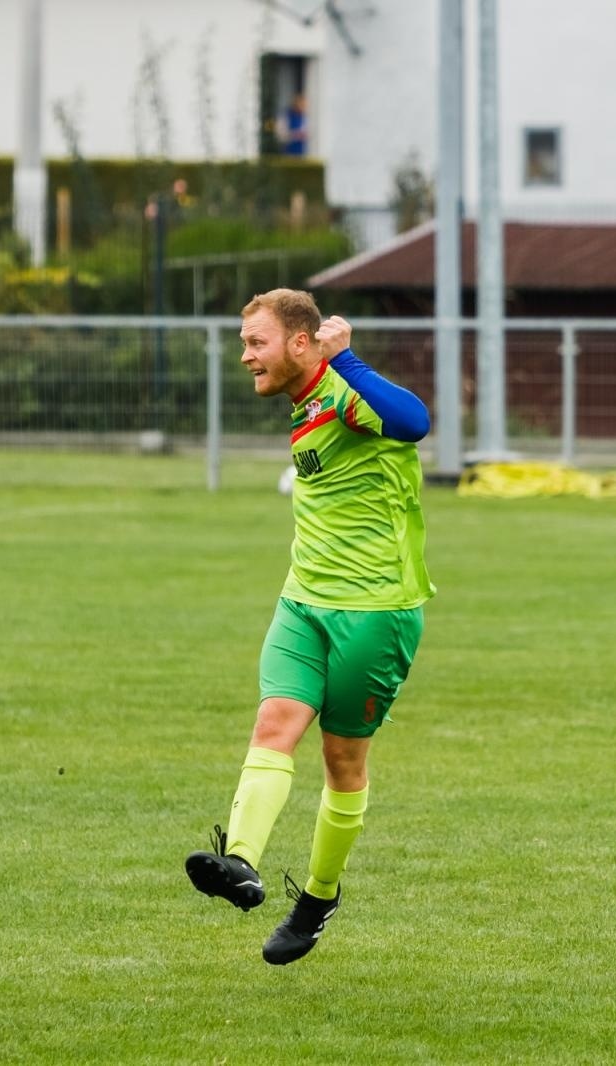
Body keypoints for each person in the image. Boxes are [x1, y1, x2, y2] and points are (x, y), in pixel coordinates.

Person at [185, 288, 433, 965]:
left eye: (255, 343)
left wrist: (347, 360)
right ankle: (240, 861)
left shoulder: (345, 393)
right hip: (302, 602)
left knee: (342, 761)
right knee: (274, 725)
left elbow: (414, 421)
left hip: (376, 612)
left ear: (301, 344)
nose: (245, 357)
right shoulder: (304, 401)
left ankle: (319, 898)